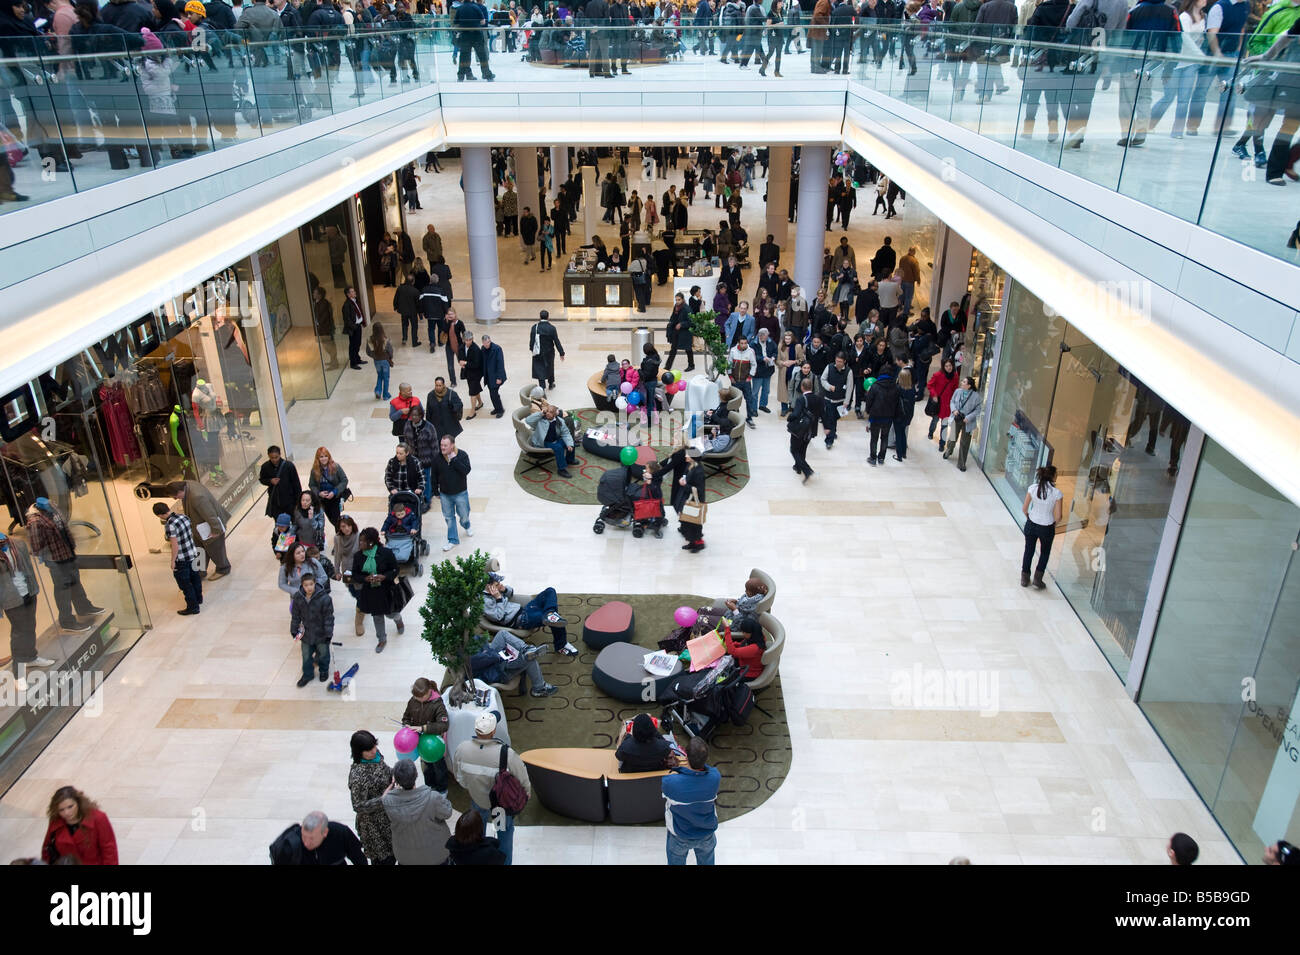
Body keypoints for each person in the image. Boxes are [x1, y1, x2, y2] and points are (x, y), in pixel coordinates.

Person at [452, 711, 531, 865]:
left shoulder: (462, 749)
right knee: (503, 834)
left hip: (477, 801)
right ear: (493, 731)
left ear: (475, 730)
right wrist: (527, 793)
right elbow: (522, 778)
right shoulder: (506, 753)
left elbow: (459, 777)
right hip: (500, 807)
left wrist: (472, 787)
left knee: (476, 834)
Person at [22, 498, 103, 633]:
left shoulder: (53, 508)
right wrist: (49, 556)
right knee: (62, 590)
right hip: (55, 559)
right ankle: (67, 621)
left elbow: (65, 528)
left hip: (68, 552)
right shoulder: (35, 521)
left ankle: (83, 607)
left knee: (75, 581)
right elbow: (36, 546)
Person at [0, 531, 50, 690]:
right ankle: (18, 675)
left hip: (28, 591)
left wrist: (34, 587)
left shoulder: (18, 544)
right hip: (11, 599)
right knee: (19, 634)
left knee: (30, 626)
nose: (4, 544)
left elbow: (28, 567)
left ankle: (31, 657)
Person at [383, 759, 454, 865]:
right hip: (436, 854)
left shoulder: (388, 801)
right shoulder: (432, 797)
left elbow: (384, 796)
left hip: (406, 857)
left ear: (396, 779)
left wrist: (393, 784)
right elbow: (447, 812)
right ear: (416, 775)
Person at [663, 737, 720, 865]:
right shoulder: (715, 777)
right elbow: (708, 770)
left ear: (686, 756)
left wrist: (679, 768)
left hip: (679, 835)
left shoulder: (670, 782)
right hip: (707, 834)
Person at [347, 730, 395, 865]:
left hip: (389, 817)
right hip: (374, 826)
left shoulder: (376, 756)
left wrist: (394, 774)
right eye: (369, 750)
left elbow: (385, 770)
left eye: (374, 746)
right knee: (384, 860)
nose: (374, 751)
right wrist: (382, 799)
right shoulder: (358, 776)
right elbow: (357, 806)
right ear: (359, 752)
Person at [350, 527, 402, 651]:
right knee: (377, 616)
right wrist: (365, 579)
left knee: (390, 613)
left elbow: (395, 569)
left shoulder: (385, 553)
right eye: (360, 541)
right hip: (370, 591)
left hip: (385, 589)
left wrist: (384, 577)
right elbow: (355, 574)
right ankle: (381, 639)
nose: (360, 543)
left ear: (371, 542)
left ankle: (398, 620)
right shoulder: (358, 556)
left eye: (363, 541)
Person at [169, 479, 232, 580]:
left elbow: (210, 515)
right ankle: (199, 571)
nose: (174, 499)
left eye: (175, 496)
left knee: (215, 549)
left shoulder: (197, 497)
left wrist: (216, 530)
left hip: (210, 527)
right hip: (198, 527)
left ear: (180, 491)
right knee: (199, 549)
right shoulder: (187, 484)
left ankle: (223, 569)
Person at [41, 786, 117, 865]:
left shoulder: (98, 818)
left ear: (78, 803)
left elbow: (109, 851)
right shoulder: (55, 821)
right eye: (61, 810)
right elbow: (46, 850)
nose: (66, 813)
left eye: (70, 807)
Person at [152, 501, 203, 616]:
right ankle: (199, 599)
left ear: (159, 515)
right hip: (192, 553)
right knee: (195, 577)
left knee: (185, 584)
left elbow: (174, 545)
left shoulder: (170, 525)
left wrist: (173, 560)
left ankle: (193, 607)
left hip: (182, 558)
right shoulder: (184, 517)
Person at [401, 677, 451, 790]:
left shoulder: (437, 703)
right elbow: (406, 717)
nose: (418, 700)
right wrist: (406, 724)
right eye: (416, 697)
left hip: (434, 744)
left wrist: (423, 728)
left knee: (439, 767)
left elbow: (444, 725)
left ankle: (442, 789)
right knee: (426, 766)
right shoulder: (413, 701)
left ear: (429, 691)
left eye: (420, 698)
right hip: (420, 743)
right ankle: (429, 787)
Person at [270, 811, 367, 865]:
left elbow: (359, 858)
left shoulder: (341, 833)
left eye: (311, 838)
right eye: (304, 836)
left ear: (325, 832)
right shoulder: (288, 846)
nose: (306, 843)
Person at [1021, 465, 1062, 590]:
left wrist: (1029, 517)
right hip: (1047, 526)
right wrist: (1053, 524)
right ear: (1053, 476)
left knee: (1029, 550)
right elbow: (1059, 516)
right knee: (1045, 552)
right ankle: (1037, 580)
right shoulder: (1057, 493)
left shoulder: (1033, 488)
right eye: (1056, 473)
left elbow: (1024, 508)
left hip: (1032, 523)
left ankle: (1025, 578)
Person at [290, 572, 333, 688]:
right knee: (306, 655)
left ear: (315, 583)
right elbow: (295, 616)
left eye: (311, 584)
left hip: (321, 633)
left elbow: (329, 617)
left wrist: (328, 633)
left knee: (323, 653)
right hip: (306, 633)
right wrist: (294, 629)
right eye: (306, 585)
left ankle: (324, 670)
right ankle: (307, 675)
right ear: (302, 586)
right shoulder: (298, 598)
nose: (309, 587)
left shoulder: (325, 598)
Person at [431, 435, 472, 551]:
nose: (442, 448)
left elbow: (466, 470)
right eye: (441, 445)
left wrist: (454, 460)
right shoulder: (437, 458)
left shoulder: (462, 455)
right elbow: (433, 476)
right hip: (445, 494)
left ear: (452, 445)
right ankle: (453, 539)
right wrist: (435, 491)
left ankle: (466, 524)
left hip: (460, 492)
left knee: (464, 514)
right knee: (449, 517)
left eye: (445, 445)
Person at [331, 515, 365, 637]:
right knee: (353, 592)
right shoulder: (337, 538)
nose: (347, 528)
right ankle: (362, 604)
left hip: (359, 570)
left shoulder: (359, 536)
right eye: (343, 526)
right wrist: (336, 571)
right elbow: (337, 555)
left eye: (348, 525)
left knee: (360, 595)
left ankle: (359, 620)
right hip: (346, 571)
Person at [524, 402, 575, 478]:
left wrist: (569, 444)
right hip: (543, 442)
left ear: (555, 414)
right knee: (558, 448)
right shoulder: (540, 420)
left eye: (550, 412)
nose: (548, 413)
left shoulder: (560, 421)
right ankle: (561, 469)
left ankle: (570, 459)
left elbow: (566, 433)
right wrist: (541, 413)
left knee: (570, 442)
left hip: (555, 440)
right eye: (547, 411)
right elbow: (528, 421)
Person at [863, 364, 900, 466]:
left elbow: (869, 401)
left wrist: (868, 411)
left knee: (874, 438)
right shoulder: (895, 387)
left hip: (875, 417)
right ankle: (881, 458)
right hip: (888, 418)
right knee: (884, 437)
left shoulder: (875, 386)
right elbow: (897, 403)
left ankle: (873, 458)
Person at [944, 376, 982, 471]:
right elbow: (952, 401)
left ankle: (961, 464)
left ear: (969, 385)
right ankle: (948, 451)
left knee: (964, 443)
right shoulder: (958, 391)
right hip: (956, 418)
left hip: (968, 421)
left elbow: (978, 409)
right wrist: (954, 410)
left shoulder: (976, 396)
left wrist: (968, 418)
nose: (962, 382)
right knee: (952, 438)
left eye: (964, 382)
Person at [308, 446, 350, 529]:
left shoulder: (336, 467)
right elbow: (312, 484)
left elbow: (344, 480)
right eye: (321, 457)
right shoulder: (314, 470)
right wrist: (319, 493)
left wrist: (334, 492)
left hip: (335, 497)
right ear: (318, 458)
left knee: (336, 520)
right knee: (331, 519)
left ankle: (341, 534)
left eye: (325, 456)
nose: (324, 459)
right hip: (323, 499)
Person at [453, 0, 495, 80]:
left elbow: (456, 22)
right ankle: (487, 74)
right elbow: (483, 22)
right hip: (476, 35)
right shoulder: (476, 7)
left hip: (465, 36)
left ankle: (460, 76)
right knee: (482, 56)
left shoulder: (460, 8)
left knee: (464, 56)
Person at [675, 447, 707, 552]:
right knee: (688, 521)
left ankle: (698, 544)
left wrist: (685, 485)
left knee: (694, 523)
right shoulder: (690, 465)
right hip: (688, 498)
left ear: (693, 457)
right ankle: (692, 542)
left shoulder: (699, 471)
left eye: (688, 455)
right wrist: (683, 479)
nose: (685, 456)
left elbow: (699, 490)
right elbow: (685, 475)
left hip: (695, 500)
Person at [819, 352, 851, 449]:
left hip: (840, 401)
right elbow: (823, 379)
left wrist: (846, 401)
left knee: (834, 419)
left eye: (840, 361)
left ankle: (833, 432)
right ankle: (829, 440)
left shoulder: (849, 371)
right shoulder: (829, 367)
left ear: (844, 361)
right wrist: (829, 387)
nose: (838, 363)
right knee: (830, 420)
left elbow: (850, 387)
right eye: (837, 361)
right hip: (828, 399)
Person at [529, 310, 566, 391]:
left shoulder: (534, 327)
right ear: (548, 317)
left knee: (539, 368)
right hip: (549, 352)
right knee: (550, 367)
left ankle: (542, 387)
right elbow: (556, 341)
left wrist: (532, 349)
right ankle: (551, 383)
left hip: (538, 352)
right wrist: (561, 353)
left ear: (540, 317)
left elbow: (531, 341)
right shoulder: (552, 328)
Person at [926, 357, 960, 446]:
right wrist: (934, 395)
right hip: (938, 402)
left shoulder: (955, 376)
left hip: (947, 404)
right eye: (946, 366)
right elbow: (930, 385)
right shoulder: (938, 375)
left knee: (944, 424)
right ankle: (930, 432)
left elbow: (955, 389)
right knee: (935, 420)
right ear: (943, 367)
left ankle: (942, 443)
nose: (949, 368)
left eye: (950, 366)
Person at [383, 442, 424, 507]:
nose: (398, 455)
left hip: (411, 493)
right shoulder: (391, 462)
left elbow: (422, 478)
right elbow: (387, 477)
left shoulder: (415, 462)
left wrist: (420, 488)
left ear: (407, 453)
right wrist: (391, 488)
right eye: (397, 453)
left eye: (400, 453)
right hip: (397, 493)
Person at [480, 333, 508, 418]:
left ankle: (500, 410)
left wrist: (499, 377)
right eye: (485, 343)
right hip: (488, 376)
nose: (486, 345)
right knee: (492, 393)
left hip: (496, 376)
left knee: (494, 393)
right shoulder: (483, 349)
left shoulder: (497, 349)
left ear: (490, 341)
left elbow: (500, 363)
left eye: (488, 342)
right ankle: (497, 408)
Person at [893, 367, 917, 462]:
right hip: (908, 415)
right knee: (903, 433)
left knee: (898, 434)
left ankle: (899, 455)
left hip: (898, 415)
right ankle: (904, 453)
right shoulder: (912, 389)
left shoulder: (898, 389)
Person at [753, 326, 778, 415]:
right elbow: (753, 356)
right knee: (755, 391)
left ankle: (763, 405)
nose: (765, 338)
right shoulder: (753, 343)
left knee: (766, 390)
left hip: (768, 370)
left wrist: (773, 357)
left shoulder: (771, 342)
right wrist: (763, 358)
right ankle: (753, 409)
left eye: (766, 336)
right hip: (758, 371)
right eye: (763, 336)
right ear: (760, 336)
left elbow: (775, 350)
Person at [343, 286, 366, 370]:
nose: (354, 292)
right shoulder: (346, 305)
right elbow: (347, 319)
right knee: (353, 346)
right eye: (352, 292)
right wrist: (354, 327)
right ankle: (353, 363)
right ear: (348, 294)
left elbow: (359, 312)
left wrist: (362, 322)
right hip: (353, 328)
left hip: (358, 326)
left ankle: (357, 359)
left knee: (358, 344)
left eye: (354, 291)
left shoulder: (355, 301)